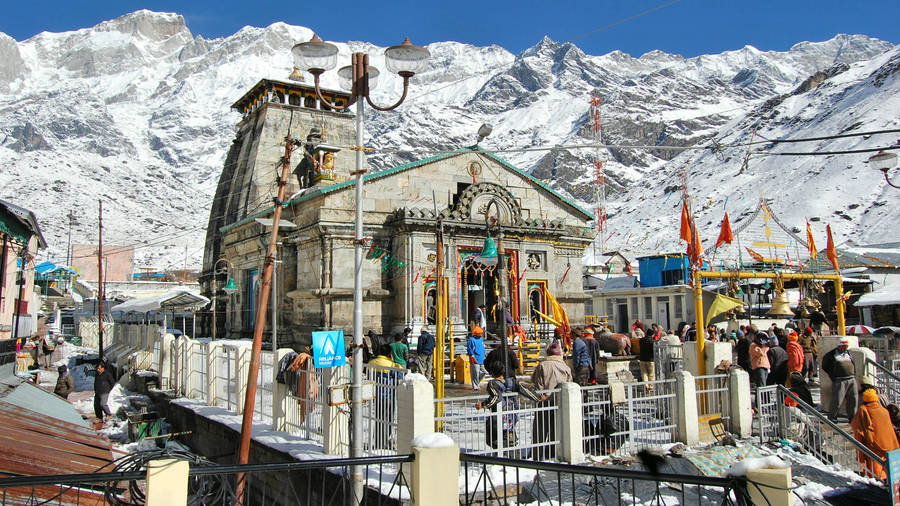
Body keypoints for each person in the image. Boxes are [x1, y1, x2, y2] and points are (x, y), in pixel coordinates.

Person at [475, 360, 541, 457]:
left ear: (492, 372)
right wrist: (538, 398)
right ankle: (511, 452)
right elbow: (525, 391)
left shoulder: (493, 384)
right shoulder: (512, 382)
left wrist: (483, 404)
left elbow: (496, 397)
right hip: (511, 415)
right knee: (509, 433)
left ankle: (503, 455)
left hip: (498, 417)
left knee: (493, 438)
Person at [530, 341, 572, 459]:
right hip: (560, 402)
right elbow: (569, 384)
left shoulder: (543, 365)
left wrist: (541, 396)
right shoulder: (565, 367)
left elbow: (538, 384)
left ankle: (537, 456)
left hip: (544, 401)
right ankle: (552, 454)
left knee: (540, 430)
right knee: (556, 430)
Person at [851, 388, 900, 479]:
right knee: (888, 466)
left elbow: (857, 427)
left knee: (876, 465)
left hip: (875, 444)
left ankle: (879, 481)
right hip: (890, 444)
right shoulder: (883, 410)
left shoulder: (863, 410)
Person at [367, 345, 401, 449]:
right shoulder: (392, 365)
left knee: (378, 419)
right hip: (389, 395)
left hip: (376, 395)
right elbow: (399, 376)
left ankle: (378, 441)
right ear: (389, 354)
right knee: (388, 420)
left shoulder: (371, 363)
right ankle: (385, 440)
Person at [822, 337, 858, 422]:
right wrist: (833, 375)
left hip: (851, 379)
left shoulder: (848, 353)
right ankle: (832, 418)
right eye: (844, 346)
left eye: (846, 346)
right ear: (839, 346)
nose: (846, 347)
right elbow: (825, 366)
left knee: (853, 400)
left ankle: (852, 418)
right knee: (837, 401)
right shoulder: (831, 355)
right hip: (839, 380)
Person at [467, 326, 487, 390]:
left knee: (484, 371)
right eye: (480, 333)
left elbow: (483, 347)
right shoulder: (471, 340)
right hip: (475, 359)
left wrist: (485, 354)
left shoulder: (481, 340)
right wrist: (473, 358)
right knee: (475, 373)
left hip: (482, 358)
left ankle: (476, 382)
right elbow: (470, 350)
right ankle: (476, 386)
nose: (481, 334)